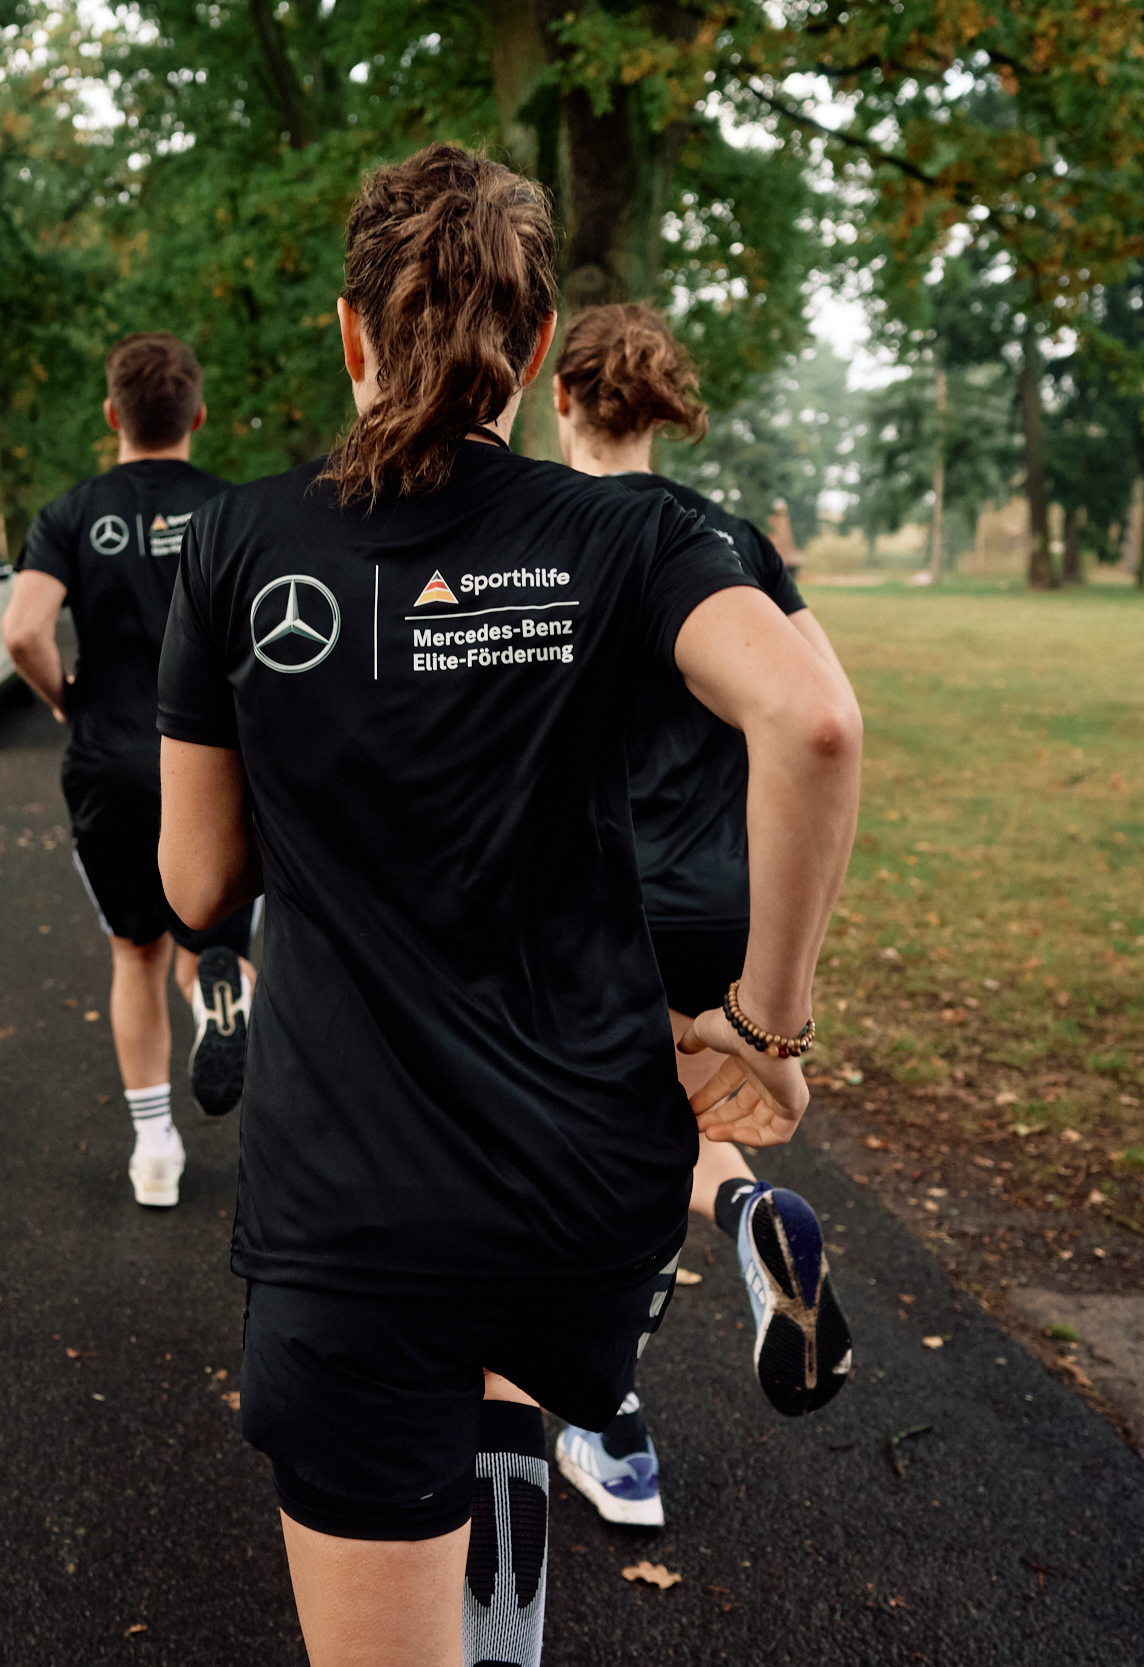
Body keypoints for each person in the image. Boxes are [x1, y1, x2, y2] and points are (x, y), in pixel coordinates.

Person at [155, 146, 862, 1667]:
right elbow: (813, 722)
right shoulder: (632, 534)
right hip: (575, 1188)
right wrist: (766, 1023)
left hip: (350, 1204)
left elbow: (197, 884)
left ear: (349, 333)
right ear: (533, 351)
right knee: (504, 1374)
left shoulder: (234, 544)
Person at [542, 303, 861, 1532]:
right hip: (721, 900)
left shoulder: (535, 533)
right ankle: (746, 1210)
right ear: (659, 409)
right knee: (674, 1103)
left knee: (577, 1162)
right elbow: (825, 710)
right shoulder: (721, 542)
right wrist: (785, 996)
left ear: (556, 395)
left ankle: (609, 1430)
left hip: (587, 894)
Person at [3, 332, 257, 1212]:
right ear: (198, 415)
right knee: (212, 937)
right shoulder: (237, 510)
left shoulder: (73, 512)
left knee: (134, 948)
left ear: (113, 414)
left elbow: (23, 629)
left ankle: (155, 1151)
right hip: (217, 766)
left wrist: (65, 696)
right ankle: (220, 995)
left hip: (109, 762)